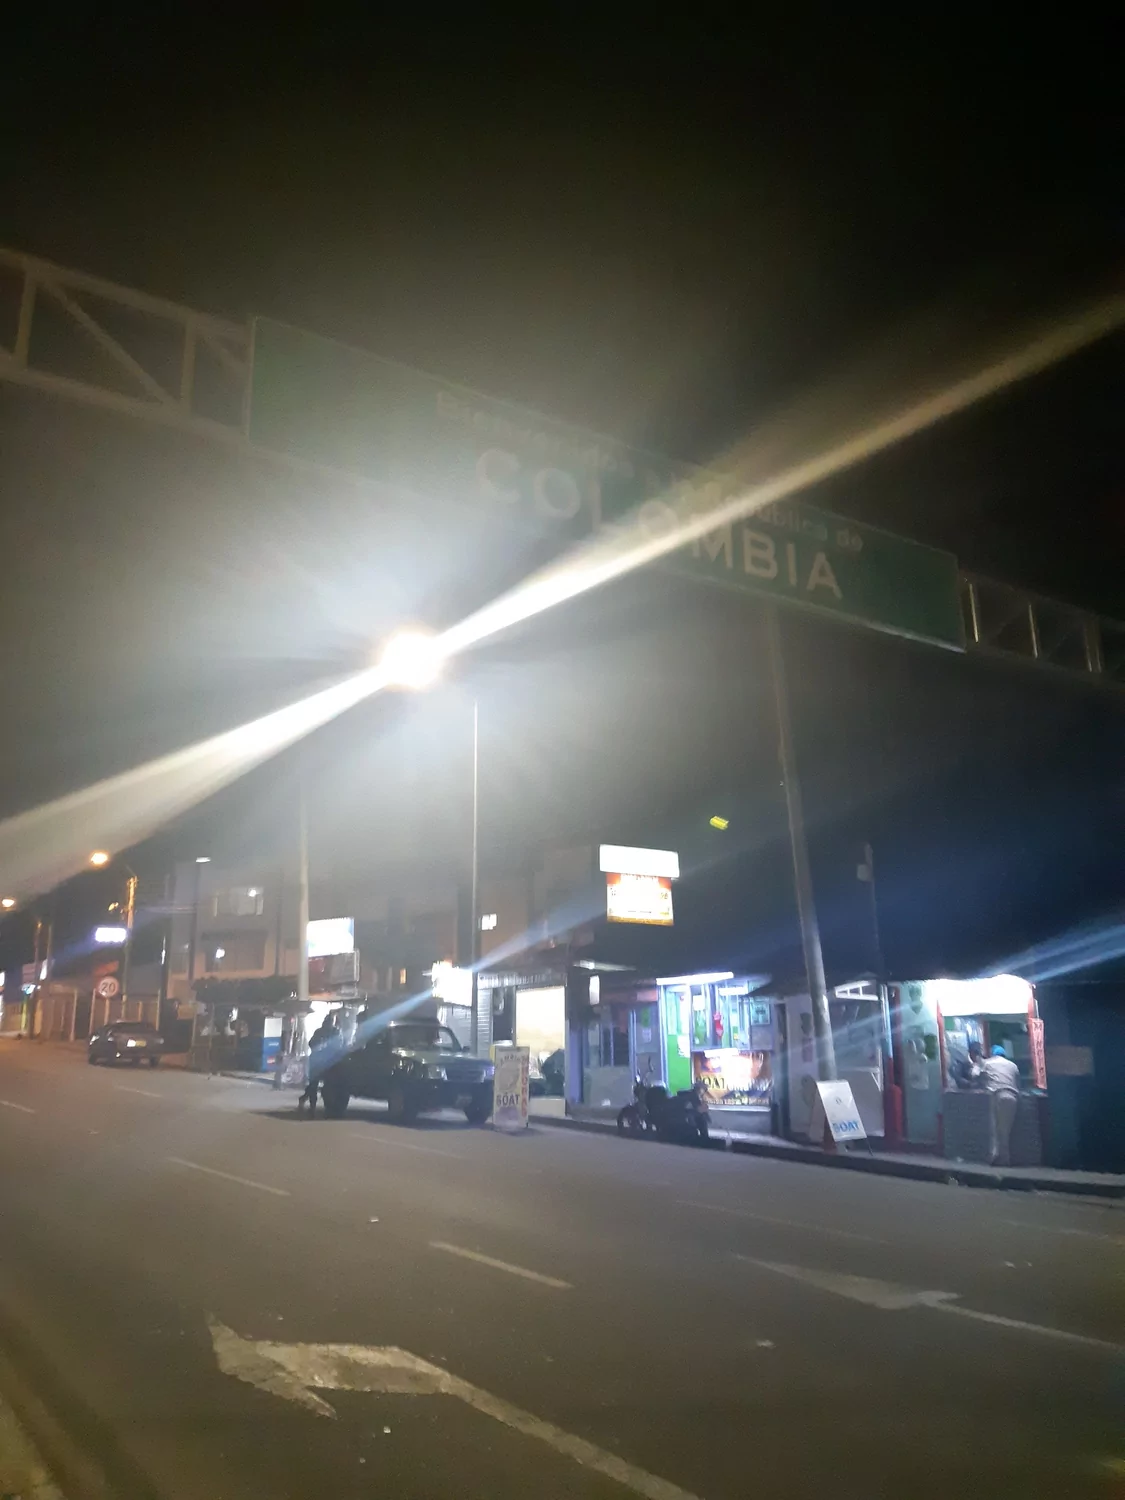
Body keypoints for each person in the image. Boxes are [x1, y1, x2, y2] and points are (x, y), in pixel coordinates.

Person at [979, 1043, 1021, 1165]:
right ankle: (1004, 1158)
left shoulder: (988, 1063)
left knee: (996, 1128)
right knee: (1006, 1129)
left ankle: (997, 1156)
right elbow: (1018, 1083)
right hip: (1012, 1096)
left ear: (992, 1053)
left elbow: (975, 1075)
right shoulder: (1013, 1065)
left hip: (997, 1095)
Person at [298, 1011, 339, 1116]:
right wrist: (319, 1047)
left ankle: (306, 1100)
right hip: (317, 1061)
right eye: (328, 1021)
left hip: (328, 1062)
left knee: (327, 1086)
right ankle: (312, 1107)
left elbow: (338, 1045)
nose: (330, 1023)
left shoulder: (336, 1032)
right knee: (313, 1085)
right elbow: (311, 1043)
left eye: (331, 1021)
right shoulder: (319, 1032)